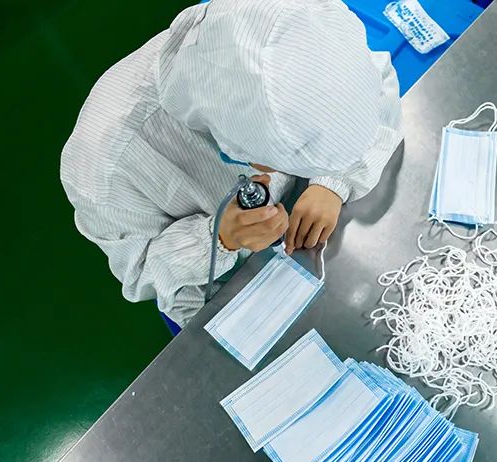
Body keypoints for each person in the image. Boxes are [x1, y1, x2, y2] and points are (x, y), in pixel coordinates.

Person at [61, 0, 403, 327]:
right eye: (271, 162)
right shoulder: (103, 168)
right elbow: (140, 273)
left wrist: (331, 183)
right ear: (229, 142)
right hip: (224, 290)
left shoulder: (288, 23)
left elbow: (374, 90)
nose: (275, 172)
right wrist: (219, 237)